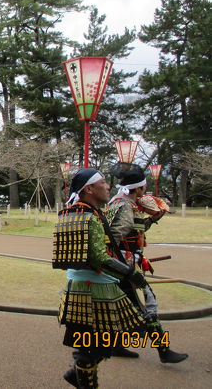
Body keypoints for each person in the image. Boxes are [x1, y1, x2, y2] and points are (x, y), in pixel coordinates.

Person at [55, 168, 147, 388]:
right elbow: (98, 257)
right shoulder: (87, 214)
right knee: (94, 346)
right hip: (92, 289)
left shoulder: (80, 211)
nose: (108, 187)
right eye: (103, 183)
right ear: (89, 189)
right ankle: (82, 378)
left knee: (102, 341)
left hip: (90, 285)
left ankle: (75, 374)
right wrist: (130, 273)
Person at [106, 166, 188, 364]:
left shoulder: (117, 202)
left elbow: (132, 228)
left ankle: (116, 344)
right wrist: (119, 258)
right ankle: (163, 350)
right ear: (138, 189)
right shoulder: (125, 205)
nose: (145, 189)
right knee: (148, 304)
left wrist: (151, 219)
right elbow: (119, 231)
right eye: (143, 186)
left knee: (121, 306)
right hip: (124, 265)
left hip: (118, 264)